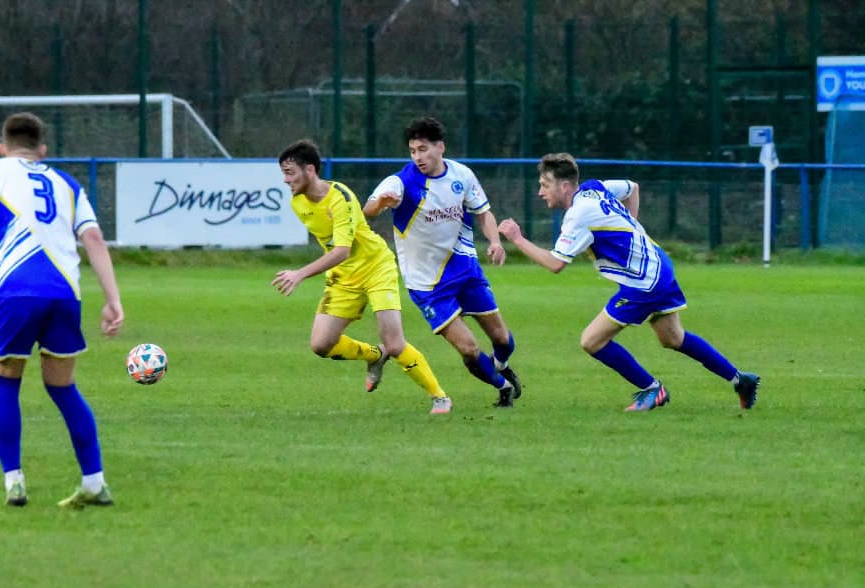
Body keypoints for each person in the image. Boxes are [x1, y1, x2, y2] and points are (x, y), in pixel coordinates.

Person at [0, 112, 125, 507]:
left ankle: (14, 482)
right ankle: (94, 481)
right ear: (43, 150)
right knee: (63, 387)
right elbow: (94, 238)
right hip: (64, 295)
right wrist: (113, 300)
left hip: (17, 292)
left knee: (6, 383)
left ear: (3, 147)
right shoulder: (67, 182)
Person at [497, 152, 760, 412]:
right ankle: (741, 380)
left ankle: (652, 389)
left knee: (591, 341)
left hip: (643, 282)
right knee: (673, 337)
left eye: (545, 185)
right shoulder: (594, 188)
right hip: (659, 265)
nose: (540, 192)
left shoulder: (578, 215)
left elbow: (556, 263)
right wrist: (633, 227)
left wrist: (517, 239)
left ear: (564, 186)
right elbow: (632, 188)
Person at [274, 139, 452, 415]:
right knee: (321, 345)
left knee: (395, 342)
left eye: (290, 173)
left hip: (376, 267)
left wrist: (300, 274)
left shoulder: (340, 198)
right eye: (284, 174)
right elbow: (336, 251)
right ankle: (375, 355)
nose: (286, 180)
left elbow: (342, 250)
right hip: (344, 277)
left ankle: (440, 397)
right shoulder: (298, 202)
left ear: (310, 170)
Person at [362, 116, 522, 408]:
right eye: (413, 151)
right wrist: (380, 203)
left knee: (502, 338)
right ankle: (504, 387)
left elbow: (483, 213)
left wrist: (495, 242)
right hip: (427, 284)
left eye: (423, 149)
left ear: (440, 147)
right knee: (469, 348)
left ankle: (501, 365)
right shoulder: (401, 182)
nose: (417, 157)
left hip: (465, 270)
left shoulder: (461, 175)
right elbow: (369, 209)